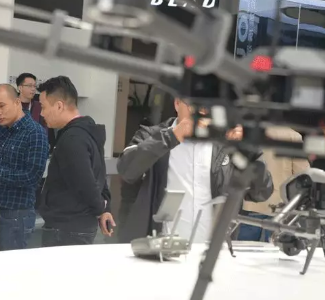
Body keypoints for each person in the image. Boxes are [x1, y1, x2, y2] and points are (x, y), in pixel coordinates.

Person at [116, 98, 273, 243]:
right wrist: (173, 136)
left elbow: (262, 193)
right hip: (160, 249)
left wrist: (247, 151)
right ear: (177, 104)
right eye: (193, 105)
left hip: (212, 252)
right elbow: (126, 170)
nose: (201, 112)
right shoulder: (152, 135)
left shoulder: (226, 142)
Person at [37, 76, 115, 246]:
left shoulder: (72, 139)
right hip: (78, 225)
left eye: (43, 107)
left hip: (66, 228)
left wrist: (101, 207)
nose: (41, 114)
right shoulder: (88, 131)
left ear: (59, 106)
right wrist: (104, 208)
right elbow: (100, 175)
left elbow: (85, 183)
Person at [0, 83, 49, 250]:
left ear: (17, 102)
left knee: (9, 263)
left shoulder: (35, 132)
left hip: (17, 215)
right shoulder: (0, 128)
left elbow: (31, 177)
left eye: (2, 106)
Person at [238, 126, 309, 241]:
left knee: (244, 246)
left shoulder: (252, 133)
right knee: (276, 247)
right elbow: (302, 173)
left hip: (253, 201)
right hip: (280, 206)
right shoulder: (293, 136)